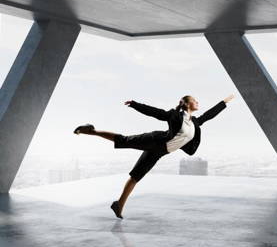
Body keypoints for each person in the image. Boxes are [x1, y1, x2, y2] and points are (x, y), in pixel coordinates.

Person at [73, 94, 234, 219]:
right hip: (155, 140)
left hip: (161, 151)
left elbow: (210, 114)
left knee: (136, 176)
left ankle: (119, 204)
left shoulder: (195, 122)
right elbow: (156, 113)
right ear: (185, 103)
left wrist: (225, 102)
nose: (197, 102)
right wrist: (136, 105)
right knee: (125, 140)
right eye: (194, 100)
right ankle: (91, 131)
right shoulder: (175, 116)